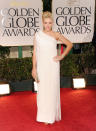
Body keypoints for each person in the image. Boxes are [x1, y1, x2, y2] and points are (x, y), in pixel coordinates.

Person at [32, 11, 73, 125]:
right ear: (42, 23)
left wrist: (61, 56)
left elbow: (69, 44)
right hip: (41, 66)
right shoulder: (38, 35)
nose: (48, 25)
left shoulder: (56, 34)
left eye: (50, 23)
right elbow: (35, 52)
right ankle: (43, 115)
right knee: (42, 90)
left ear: (52, 23)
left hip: (53, 66)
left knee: (51, 89)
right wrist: (34, 68)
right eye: (46, 23)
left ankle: (50, 116)